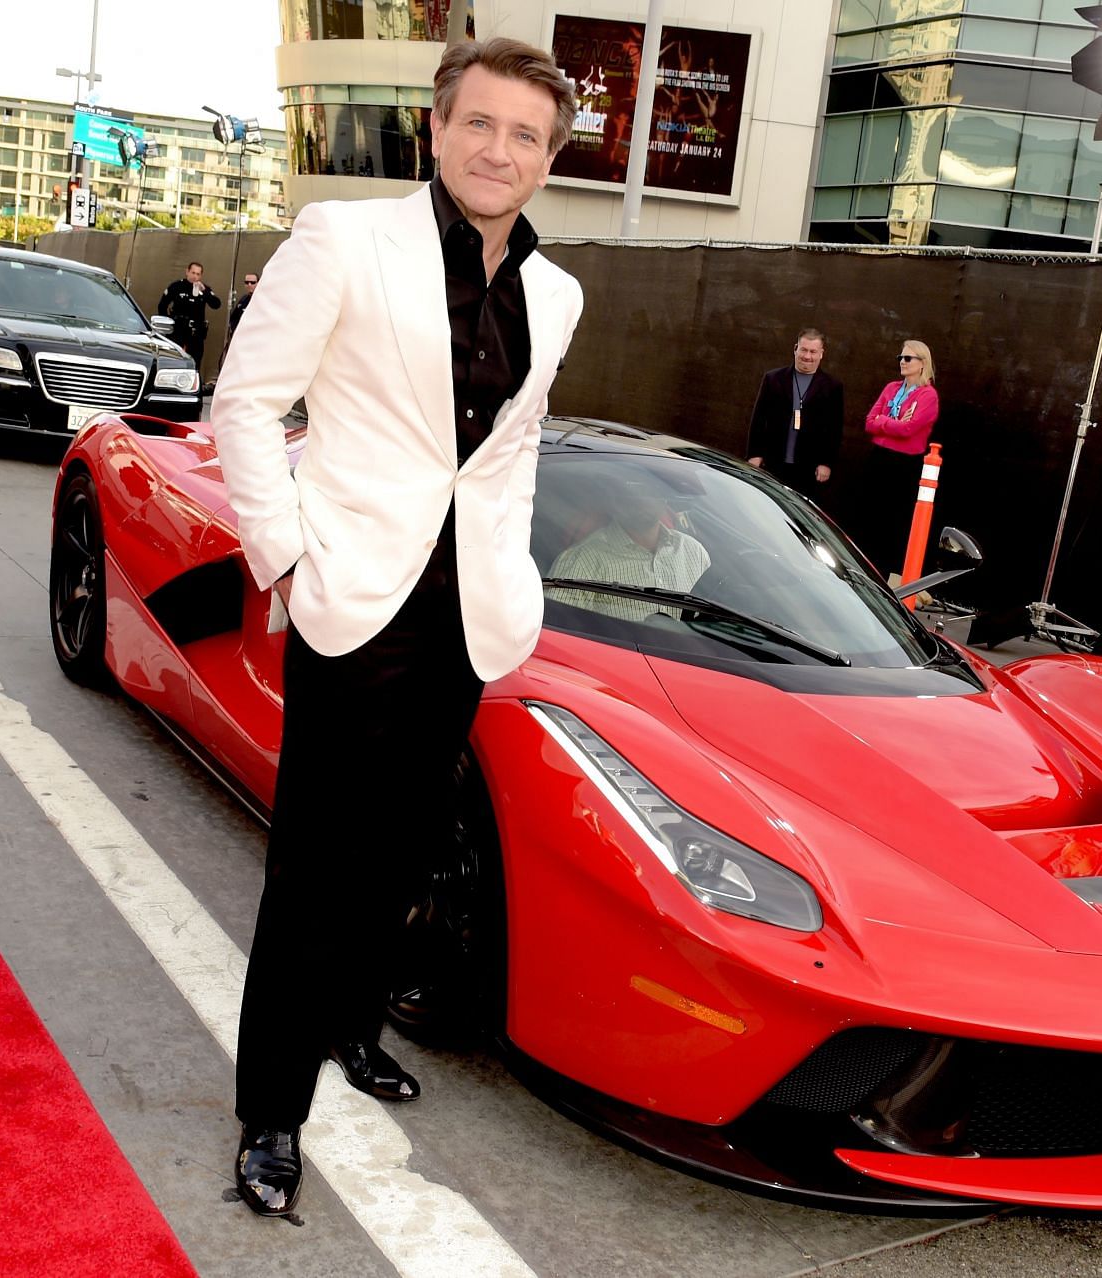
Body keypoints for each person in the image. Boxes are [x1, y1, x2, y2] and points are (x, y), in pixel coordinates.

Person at [209, 36, 582, 1220]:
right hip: (352, 596)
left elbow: (510, 454)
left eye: (526, 135)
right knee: (317, 860)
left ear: (548, 159)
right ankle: (271, 1110)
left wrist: (509, 577)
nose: (500, 150)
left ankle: (349, 1029)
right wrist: (287, 555)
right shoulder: (345, 239)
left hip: (464, 615)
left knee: (407, 847)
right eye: (481, 124)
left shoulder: (557, 292)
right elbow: (248, 403)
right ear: (437, 129)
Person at [548, 479, 711, 621]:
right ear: (614, 499)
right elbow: (556, 627)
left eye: (650, 491)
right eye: (630, 490)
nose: (641, 500)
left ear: (665, 498)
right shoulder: (582, 560)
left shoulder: (694, 552)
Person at [851, 339, 940, 573]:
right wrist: (892, 423)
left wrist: (885, 422)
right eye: (900, 358)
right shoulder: (892, 388)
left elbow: (909, 430)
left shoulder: (928, 395)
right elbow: (870, 422)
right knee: (867, 513)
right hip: (879, 458)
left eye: (908, 358)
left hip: (902, 465)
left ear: (922, 363)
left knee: (891, 520)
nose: (902, 362)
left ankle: (882, 571)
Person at [744, 327, 843, 497]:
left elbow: (834, 428)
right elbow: (758, 418)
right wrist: (754, 454)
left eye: (813, 351)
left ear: (821, 353)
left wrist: (826, 463)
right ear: (795, 348)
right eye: (803, 349)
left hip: (808, 467)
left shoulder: (832, 387)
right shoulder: (773, 379)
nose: (807, 356)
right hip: (772, 461)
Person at [156, 261, 220, 385]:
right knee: (174, 358)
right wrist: (168, 322)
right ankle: (169, 383)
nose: (195, 276)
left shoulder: (203, 289)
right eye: (193, 273)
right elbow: (162, 305)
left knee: (195, 360)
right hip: (178, 330)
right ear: (187, 272)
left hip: (195, 331)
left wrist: (205, 291)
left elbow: (216, 304)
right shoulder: (176, 286)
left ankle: (192, 385)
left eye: (198, 274)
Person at [222, 271, 257, 364]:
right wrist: (235, 331)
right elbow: (234, 318)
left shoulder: (262, 300)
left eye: (252, 282)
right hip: (242, 339)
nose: (249, 285)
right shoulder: (243, 299)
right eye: (247, 282)